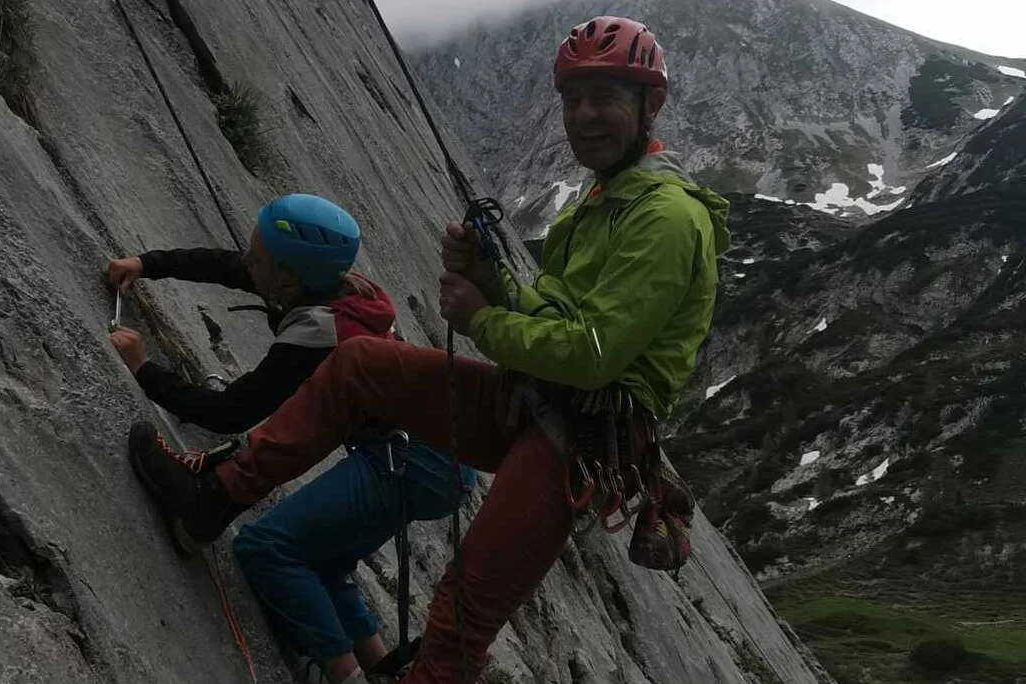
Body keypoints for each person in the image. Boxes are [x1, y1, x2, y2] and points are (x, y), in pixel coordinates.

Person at [126, 16, 730, 683]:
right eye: (573, 97)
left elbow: (591, 353)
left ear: (652, 104)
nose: (584, 114)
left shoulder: (667, 217)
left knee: (462, 611)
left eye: (606, 96)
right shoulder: (605, 200)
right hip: (535, 401)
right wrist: (491, 278)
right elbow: (552, 313)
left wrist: (479, 318)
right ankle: (216, 498)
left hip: (580, 437)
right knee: (362, 366)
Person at [107, 193, 475, 684]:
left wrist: (144, 369)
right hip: (439, 458)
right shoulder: (339, 289)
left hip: (408, 461)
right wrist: (147, 264)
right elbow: (236, 268)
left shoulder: (321, 332)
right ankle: (382, 669)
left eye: (257, 253)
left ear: (289, 277)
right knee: (323, 563)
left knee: (267, 548)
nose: (246, 257)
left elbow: (232, 410)